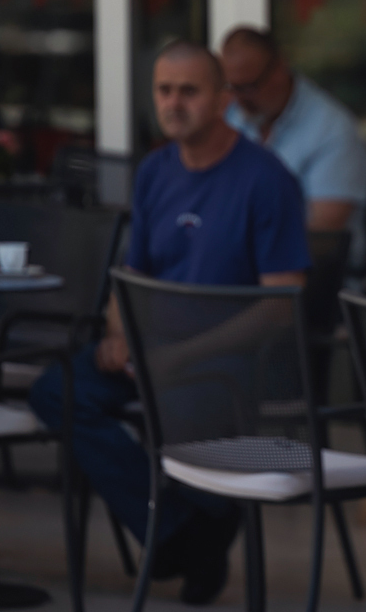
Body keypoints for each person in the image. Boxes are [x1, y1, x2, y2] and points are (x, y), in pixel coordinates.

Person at [29, 40, 311, 605]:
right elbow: (132, 274)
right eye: (164, 90)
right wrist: (117, 334)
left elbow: (281, 303)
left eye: (189, 91)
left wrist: (181, 356)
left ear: (222, 99)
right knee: (57, 390)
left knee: (180, 410)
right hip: (151, 350)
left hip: (225, 361)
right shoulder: (156, 170)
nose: (174, 103)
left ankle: (197, 522)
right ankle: (183, 530)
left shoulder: (266, 178)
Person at [220, 26, 366, 265]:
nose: (240, 99)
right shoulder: (232, 117)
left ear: (279, 70)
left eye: (248, 87)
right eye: (232, 87)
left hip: (313, 275)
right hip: (240, 267)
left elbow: (321, 237)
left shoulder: (332, 130)